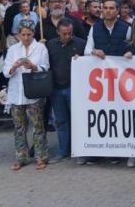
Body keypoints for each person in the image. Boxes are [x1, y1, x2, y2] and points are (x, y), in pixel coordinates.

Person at [3, 19, 50, 171]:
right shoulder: (13, 49)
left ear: (33, 33)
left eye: (29, 34)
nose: (26, 37)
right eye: (23, 34)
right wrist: (15, 66)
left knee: (38, 126)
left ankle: (41, 156)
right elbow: (5, 72)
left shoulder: (41, 48)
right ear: (18, 34)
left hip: (34, 92)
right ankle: (21, 157)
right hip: (17, 94)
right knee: (19, 127)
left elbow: (46, 67)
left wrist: (34, 66)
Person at [46, 18, 86, 163]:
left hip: (74, 88)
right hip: (56, 89)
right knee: (61, 121)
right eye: (64, 33)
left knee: (77, 120)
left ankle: (80, 150)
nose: (68, 36)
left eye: (70, 33)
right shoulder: (50, 45)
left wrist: (82, 59)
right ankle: (63, 151)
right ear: (58, 32)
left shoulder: (81, 44)